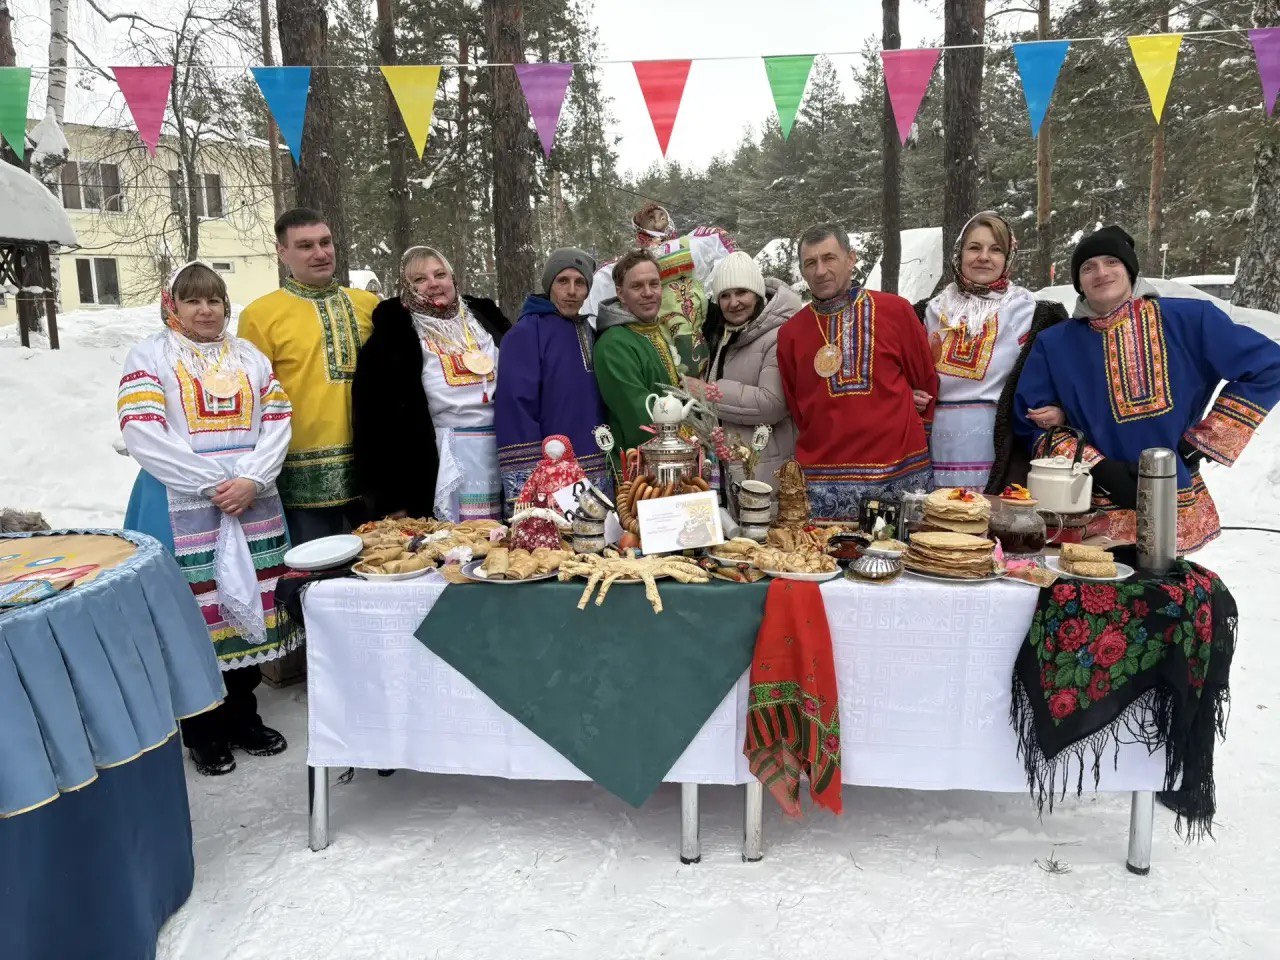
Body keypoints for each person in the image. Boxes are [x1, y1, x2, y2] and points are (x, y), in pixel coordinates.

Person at [119, 261, 293, 776]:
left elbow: (278, 421)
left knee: (246, 612)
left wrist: (253, 480)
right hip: (179, 504)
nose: (205, 309)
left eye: (214, 299)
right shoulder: (150, 356)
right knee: (193, 618)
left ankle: (244, 715)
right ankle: (202, 730)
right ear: (173, 306)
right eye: (193, 300)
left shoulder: (250, 358)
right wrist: (211, 484)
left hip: (252, 501)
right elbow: (142, 429)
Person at [1013, 225, 1280, 553]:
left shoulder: (1190, 320)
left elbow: (1270, 366)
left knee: (1160, 592)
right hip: (1085, 502)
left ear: (1129, 268)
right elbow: (1030, 425)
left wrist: (1204, 441)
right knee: (1089, 590)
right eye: (1087, 267)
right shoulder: (1055, 343)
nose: (1101, 272)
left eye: (1111, 261)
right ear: (1079, 283)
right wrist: (1097, 466)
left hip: (1171, 496)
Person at [777, 224, 939, 522]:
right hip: (822, 485)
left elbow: (926, 382)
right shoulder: (791, 334)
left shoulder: (896, 311)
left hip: (899, 478)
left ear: (851, 258)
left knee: (903, 563)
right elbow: (798, 407)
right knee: (823, 564)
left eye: (830, 258)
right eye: (810, 263)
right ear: (802, 271)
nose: (821, 270)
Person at [237, 208, 378, 544]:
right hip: (300, 481)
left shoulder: (369, 305)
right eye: (305, 246)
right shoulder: (260, 315)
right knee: (314, 579)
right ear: (282, 252)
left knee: (383, 570)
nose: (320, 253)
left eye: (325, 242)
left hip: (370, 472)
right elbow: (252, 402)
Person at [352, 246, 510, 521]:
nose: (433, 283)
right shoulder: (393, 336)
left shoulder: (485, 320)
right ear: (406, 287)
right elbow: (375, 421)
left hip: (501, 451)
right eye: (420, 280)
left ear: (453, 279)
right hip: (434, 463)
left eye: (440, 274)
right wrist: (391, 499)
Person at [916, 211, 1067, 492]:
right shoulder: (926, 312)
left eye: (996, 249)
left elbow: (1066, 378)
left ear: (1008, 258)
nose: (984, 256)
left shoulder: (1034, 313)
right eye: (974, 247)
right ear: (959, 253)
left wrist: (1060, 410)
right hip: (935, 446)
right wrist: (908, 395)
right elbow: (900, 376)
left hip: (1003, 450)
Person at [494, 248, 610, 515]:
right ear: (549, 285)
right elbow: (516, 408)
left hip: (596, 468)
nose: (572, 291)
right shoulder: (525, 334)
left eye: (580, 282)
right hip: (550, 476)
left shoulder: (590, 332)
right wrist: (527, 482)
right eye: (563, 281)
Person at [686, 250, 802, 485]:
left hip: (766, 472)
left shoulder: (778, 335)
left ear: (757, 294)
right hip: (731, 468)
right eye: (725, 295)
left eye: (741, 292)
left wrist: (708, 393)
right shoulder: (725, 335)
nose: (734, 302)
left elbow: (773, 404)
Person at [586, 202, 735, 378]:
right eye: (651, 218)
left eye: (660, 216)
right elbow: (593, 296)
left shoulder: (690, 245)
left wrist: (713, 292)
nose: (657, 220)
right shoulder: (624, 265)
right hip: (653, 350)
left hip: (700, 347)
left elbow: (726, 256)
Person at [593, 249, 680, 452]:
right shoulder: (614, 343)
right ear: (621, 294)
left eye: (654, 284)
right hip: (641, 467)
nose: (648, 293)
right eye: (637, 286)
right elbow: (638, 415)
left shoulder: (654, 330)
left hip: (669, 457)